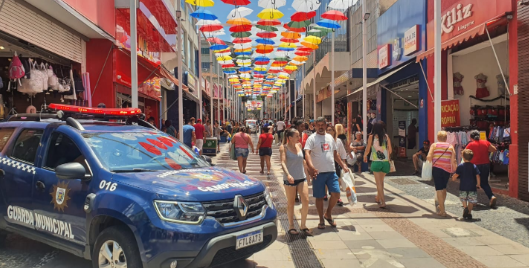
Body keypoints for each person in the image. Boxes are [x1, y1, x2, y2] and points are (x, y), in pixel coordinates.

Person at [305, 117, 349, 229]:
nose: (320, 127)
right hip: (318, 173)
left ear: (326, 125)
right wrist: (311, 167)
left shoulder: (330, 137)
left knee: (336, 194)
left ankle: (328, 213)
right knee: (319, 197)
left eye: (322, 125)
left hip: (331, 171)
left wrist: (343, 165)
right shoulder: (312, 138)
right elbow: (307, 154)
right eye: (318, 125)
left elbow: (335, 154)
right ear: (314, 126)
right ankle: (321, 219)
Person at [280, 128, 311, 236]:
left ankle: (303, 225)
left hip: (301, 177)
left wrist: (307, 174)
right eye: (297, 136)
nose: (299, 138)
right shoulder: (284, 148)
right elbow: (283, 162)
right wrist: (288, 174)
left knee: (306, 200)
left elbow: (302, 161)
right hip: (290, 178)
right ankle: (291, 226)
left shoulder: (299, 146)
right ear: (290, 138)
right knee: (291, 203)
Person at [427, 131, 457, 217]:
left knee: (439, 189)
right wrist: (456, 171)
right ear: (446, 138)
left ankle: (442, 210)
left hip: (437, 169)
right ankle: (441, 205)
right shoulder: (450, 146)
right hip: (447, 170)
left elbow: (429, 157)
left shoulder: (434, 145)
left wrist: (430, 161)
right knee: (444, 188)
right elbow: (453, 160)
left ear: (438, 138)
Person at [465, 130, 498, 208]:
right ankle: (491, 197)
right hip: (485, 165)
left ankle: (473, 201)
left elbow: (465, 153)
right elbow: (494, 149)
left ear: (471, 137)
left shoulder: (471, 144)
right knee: (484, 183)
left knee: (472, 183)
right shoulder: (485, 142)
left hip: (474, 165)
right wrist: (487, 150)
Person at [364, 121, 392, 208]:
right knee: (381, 181)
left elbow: (368, 149)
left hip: (376, 162)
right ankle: (378, 197)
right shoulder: (386, 137)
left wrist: (365, 156)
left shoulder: (371, 137)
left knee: (378, 183)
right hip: (385, 162)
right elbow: (390, 150)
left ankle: (383, 202)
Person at [452, 149, 481, 220]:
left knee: (463, 198)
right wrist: (478, 184)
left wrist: (453, 178)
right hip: (472, 186)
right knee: (471, 200)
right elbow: (478, 176)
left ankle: (465, 208)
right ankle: (469, 213)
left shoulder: (460, 166)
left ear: (463, 157)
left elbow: (456, 174)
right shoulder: (474, 166)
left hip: (463, 186)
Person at [326, 125, 347, 206]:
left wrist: (343, 164)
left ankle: (338, 197)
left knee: (337, 180)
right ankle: (327, 193)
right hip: (326, 163)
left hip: (336, 163)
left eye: (330, 130)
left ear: (334, 131)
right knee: (327, 180)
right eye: (327, 130)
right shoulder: (323, 140)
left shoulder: (338, 141)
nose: (328, 131)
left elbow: (342, 153)